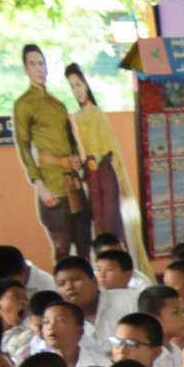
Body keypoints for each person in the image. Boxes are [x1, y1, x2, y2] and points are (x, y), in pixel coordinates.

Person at [9, 44, 87, 262]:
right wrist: (39, 184)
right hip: (51, 185)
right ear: (25, 69)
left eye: (41, 63)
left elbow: (71, 140)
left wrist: (76, 161)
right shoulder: (23, 104)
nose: (39, 69)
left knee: (84, 246)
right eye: (33, 64)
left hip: (73, 184)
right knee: (62, 249)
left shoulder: (58, 104)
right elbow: (23, 145)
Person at [63, 63, 127, 253]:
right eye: (72, 86)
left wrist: (96, 158)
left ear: (85, 84)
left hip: (105, 172)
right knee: (98, 224)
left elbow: (110, 148)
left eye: (79, 84)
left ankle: (118, 259)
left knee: (110, 222)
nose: (77, 90)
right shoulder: (74, 118)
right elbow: (77, 150)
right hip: (89, 176)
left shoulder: (97, 113)